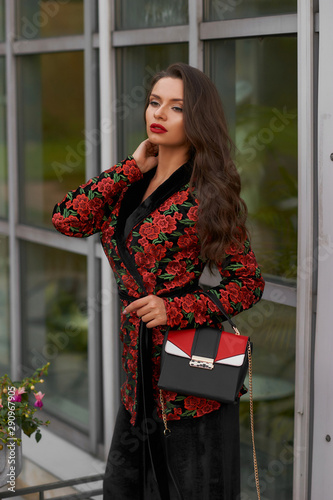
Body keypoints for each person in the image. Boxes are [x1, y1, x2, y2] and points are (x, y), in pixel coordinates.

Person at [52, 62, 265, 500]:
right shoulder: (132, 184)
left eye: (177, 107)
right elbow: (67, 219)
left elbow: (247, 282)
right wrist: (131, 166)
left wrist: (175, 307)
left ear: (198, 119)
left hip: (188, 379)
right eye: (155, 102)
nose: (160, 113)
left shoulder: (208, 192)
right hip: (137, 377)